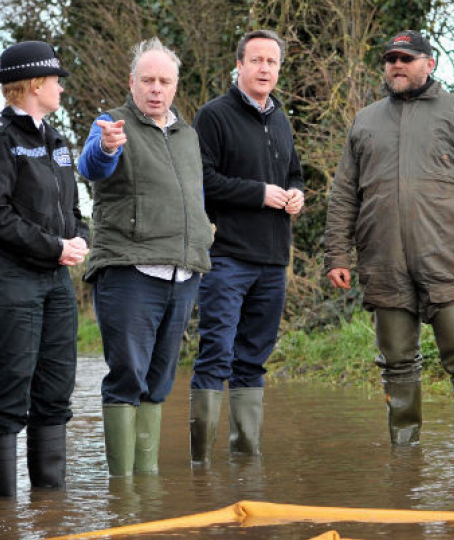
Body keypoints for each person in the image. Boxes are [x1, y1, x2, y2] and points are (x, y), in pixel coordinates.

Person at [324, 30, 454, 448]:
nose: (397, 65)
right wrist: (337, 254)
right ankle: (404, 458)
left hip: (448, 258)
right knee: (397, 364)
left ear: (430, 63)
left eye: (406, 57)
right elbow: (343, 194)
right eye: (390, 58)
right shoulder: (365, 120)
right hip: (383, 261)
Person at [77, 38, 212, 477]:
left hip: (182, 271)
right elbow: (92, 166)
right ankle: (123, 489)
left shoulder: (188, 135)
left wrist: (205, 231)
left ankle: (147, 484)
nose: (156, 89)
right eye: (148, 80)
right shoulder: (111, 125)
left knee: (159, 380)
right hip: (129, 271)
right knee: (127, 377)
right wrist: (108, 147)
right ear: (131, 82)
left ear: (175, 86)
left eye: (165, 81)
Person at [0, 41, 90, 497]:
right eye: (56, 79)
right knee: (9, 397)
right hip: (9, 280)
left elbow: (73, 208)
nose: (61, 87)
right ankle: (3, 515)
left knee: (55, 393)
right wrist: (54, 246)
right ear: (35, 83)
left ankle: (49, 509)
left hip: (55, 283)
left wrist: (79, 238)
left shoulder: (57, 142)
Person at [189, 29, 305, 465]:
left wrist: (296, 194)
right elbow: (204, 180)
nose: (264, 68)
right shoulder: (213, 116)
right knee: (216, 353)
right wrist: (259, 193)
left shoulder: (281, 119)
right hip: (228, 258)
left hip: (274, 261)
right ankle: (200, 464)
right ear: (238, 65)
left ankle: (245, 458)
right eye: (255, 60)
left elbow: (295, 173)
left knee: (253, 359)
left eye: (271, 62)